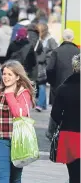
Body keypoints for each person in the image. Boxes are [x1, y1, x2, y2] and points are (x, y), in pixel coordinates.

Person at [0, 60, 35, 183]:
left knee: (15, 178)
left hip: (18, 141)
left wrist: (10, 95)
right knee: (2, 177)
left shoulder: (24, 93)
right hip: (1, 141)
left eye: (10, 74)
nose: (6, 77)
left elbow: (19, 114)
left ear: (17, 77)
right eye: (4, 74)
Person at [51, 54, 80, 183]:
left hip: (69, 134)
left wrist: (65, 120)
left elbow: (55, 114)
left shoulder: (63, 88)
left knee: (74, 175)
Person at [46, 29, 79, 140]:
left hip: (59, 85)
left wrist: (52, 82)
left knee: (56, 109)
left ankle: (52, 133)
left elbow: (50, 69)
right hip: (76, 86)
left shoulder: (56, 51)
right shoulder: (78, 52)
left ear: (63, 38)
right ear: (72, 38)